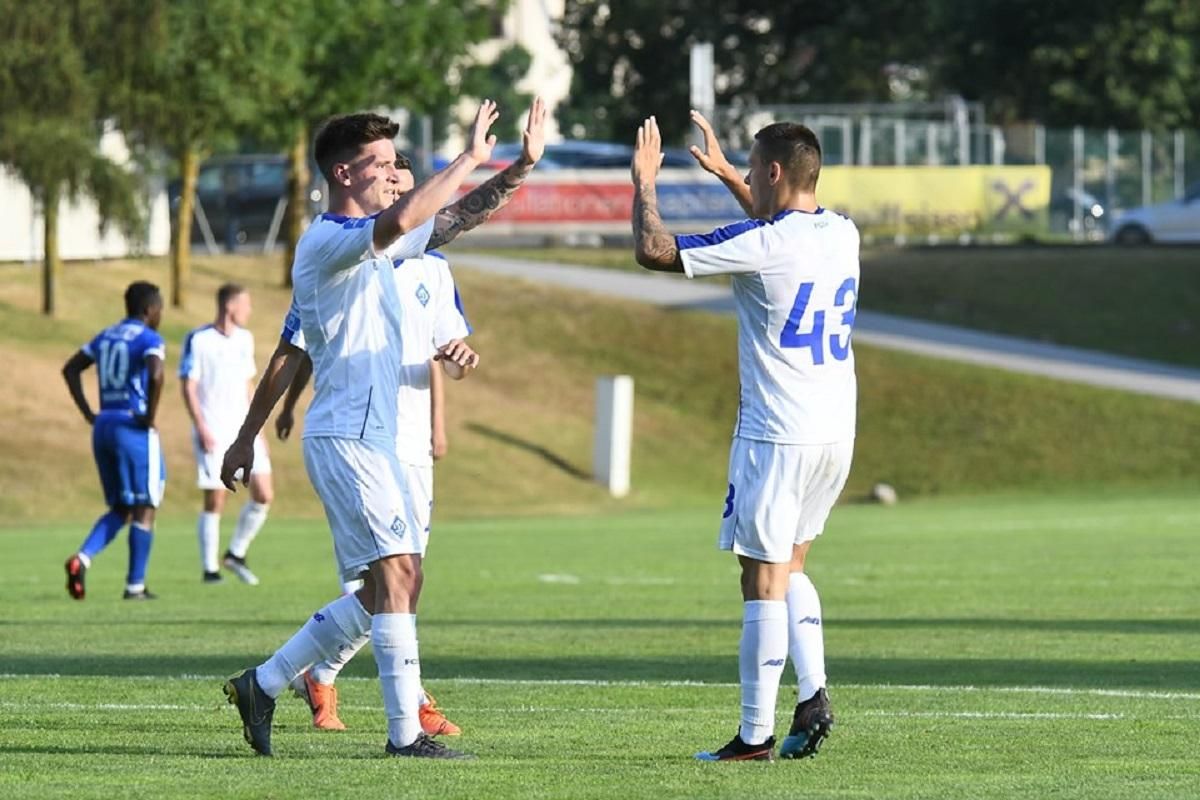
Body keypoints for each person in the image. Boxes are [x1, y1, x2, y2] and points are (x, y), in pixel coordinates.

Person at [221, 97, 545, 760]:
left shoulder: (391, 247)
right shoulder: (325, 242)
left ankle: (266, 681)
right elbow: (399, 222)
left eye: (399, 164)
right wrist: (469, 156)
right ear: (345, 175)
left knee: (393, 585)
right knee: (396, 573)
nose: (394, 172)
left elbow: (451, 217)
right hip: (346, 434)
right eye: (382, 163)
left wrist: (519, 167)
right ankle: (405, 736)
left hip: (381, 439)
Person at [630, 112, 858, 761]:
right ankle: (812, 693)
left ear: (777, 171)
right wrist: (733, 174)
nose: (750, 179)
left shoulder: (764, 243)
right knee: (789, 567)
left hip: (776, 436)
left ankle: (754, 737)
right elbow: (777, 232)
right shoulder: (844, 234)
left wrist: (645, 182)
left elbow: (654, 251)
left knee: (760, 581)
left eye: (755, 170)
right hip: (833, 432)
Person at [274, 230, 471, 737]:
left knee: (403, 580)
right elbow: (301, 344)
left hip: (413, 448)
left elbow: (443, 356)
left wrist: (451, 385)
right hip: (362, 439)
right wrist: (289, 407)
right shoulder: (347, 262)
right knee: (390, 579)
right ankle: (410, 706)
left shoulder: (436, 267)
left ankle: (312, 674)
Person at [62, 281, 167, 601]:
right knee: (145, 506)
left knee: (121, 507)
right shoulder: (149, 337)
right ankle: (135, 586)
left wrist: (88, 413)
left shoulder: (106, 335)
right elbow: (157, 373)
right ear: (149, 310)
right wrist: (149, 416)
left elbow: (71, 369)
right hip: (131, 425)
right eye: (160, 309)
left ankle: (82, 559)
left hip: (104, 423)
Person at [180, 284, 273, 585]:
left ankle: (235, 552)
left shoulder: (245, 339)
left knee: (263, 493)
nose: (249, 311)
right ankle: (210, 570)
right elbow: (188, 386)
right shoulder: (199, 339)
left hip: (244, 430)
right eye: (246, 305)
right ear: (230, 306)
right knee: (216, 498)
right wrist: (201, 426)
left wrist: (258, 431)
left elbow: (248, 386)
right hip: (214, 429)